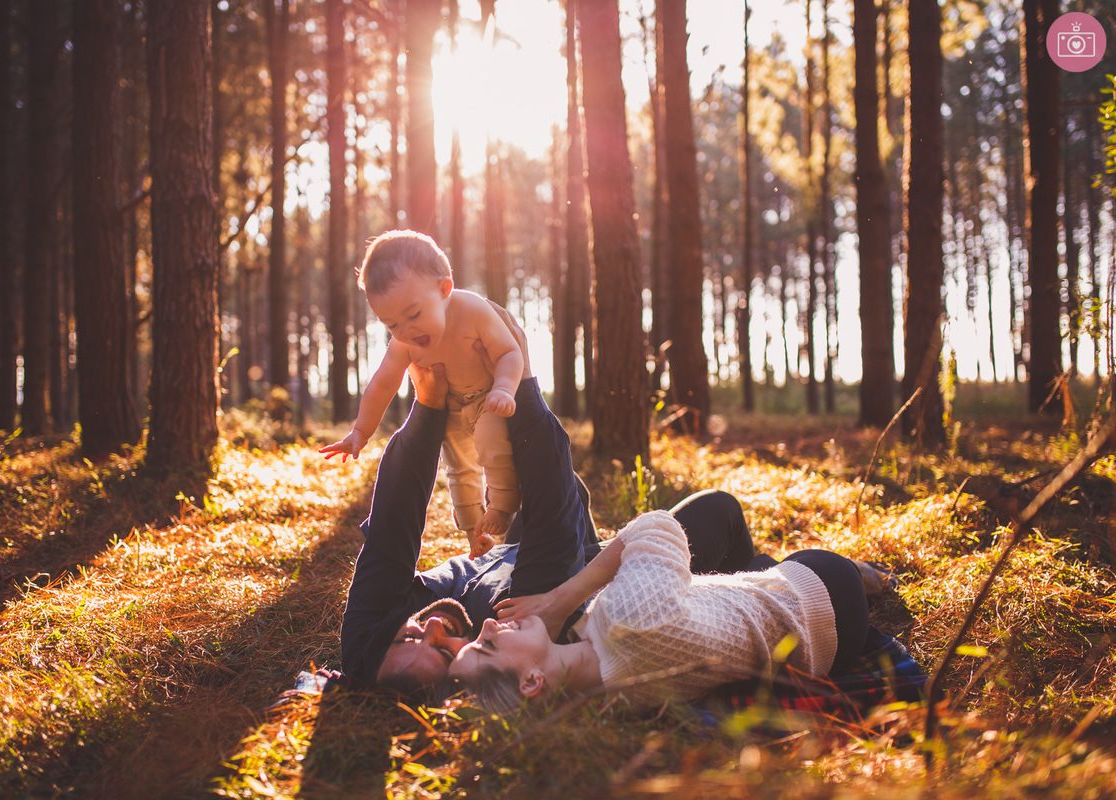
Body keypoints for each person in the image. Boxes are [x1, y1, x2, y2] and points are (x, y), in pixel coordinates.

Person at [337, 305, 757, 701]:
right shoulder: (510, 628)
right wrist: (520, 381)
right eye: (445, 650)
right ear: (465, 681)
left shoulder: (367, 643)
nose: (432, 626)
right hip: (587, 578)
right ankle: (758, 580)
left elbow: (392, 522)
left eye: (410, 636)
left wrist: (428, 405)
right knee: (717, 510)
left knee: (566, 489)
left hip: (511, 556)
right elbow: (554, 511)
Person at [448, 509, 875, 715]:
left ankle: (769, 567)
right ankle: (867, 575)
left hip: (820, 656)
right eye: (488, 645)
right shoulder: (629, 620)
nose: (487, 624)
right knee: (765, 566)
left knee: (737, 577)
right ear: (531, 681)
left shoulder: (604, 702)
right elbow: (657, 526)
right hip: (824, 598)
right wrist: (562, 598)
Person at [321, 231, 524, 558]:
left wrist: (504, 388)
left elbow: (509, 352)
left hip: (488, 400)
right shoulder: (404, 342)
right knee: (459, 468)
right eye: (392, 325)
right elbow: (383, 383)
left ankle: (501, 506)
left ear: (444, 290)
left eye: (413, 315)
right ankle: (475, 533)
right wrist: (361, 430)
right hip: (452, 410)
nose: (406, 331)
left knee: (491, 442)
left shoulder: (473, 310)